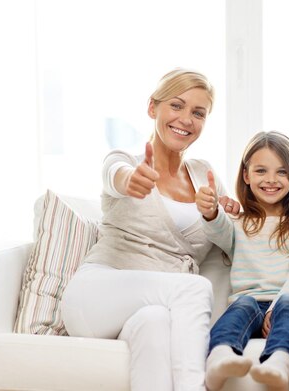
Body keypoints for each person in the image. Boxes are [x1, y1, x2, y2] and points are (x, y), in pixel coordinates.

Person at [60, 68, 238, 391]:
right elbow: (114, 174)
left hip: (147, 311)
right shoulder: (126, 159)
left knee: (156, 324)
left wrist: (216, 216)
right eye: (176, 105)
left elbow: (232, 244)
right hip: (94, 296)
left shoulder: (205, 175)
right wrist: (129, 180)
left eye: (198, 113)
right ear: (152, 107)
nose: (186, 119)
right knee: (194, 287)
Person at [195, 131, 289, 390]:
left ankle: (279, 362)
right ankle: (220, 356)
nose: (271, 180)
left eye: (282, 172)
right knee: (243, 303)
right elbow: (218, 229)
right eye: (260, 171)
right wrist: (211, 210)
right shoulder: (239, 223)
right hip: (253, 310)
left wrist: (275, 307)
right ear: (246, 175)